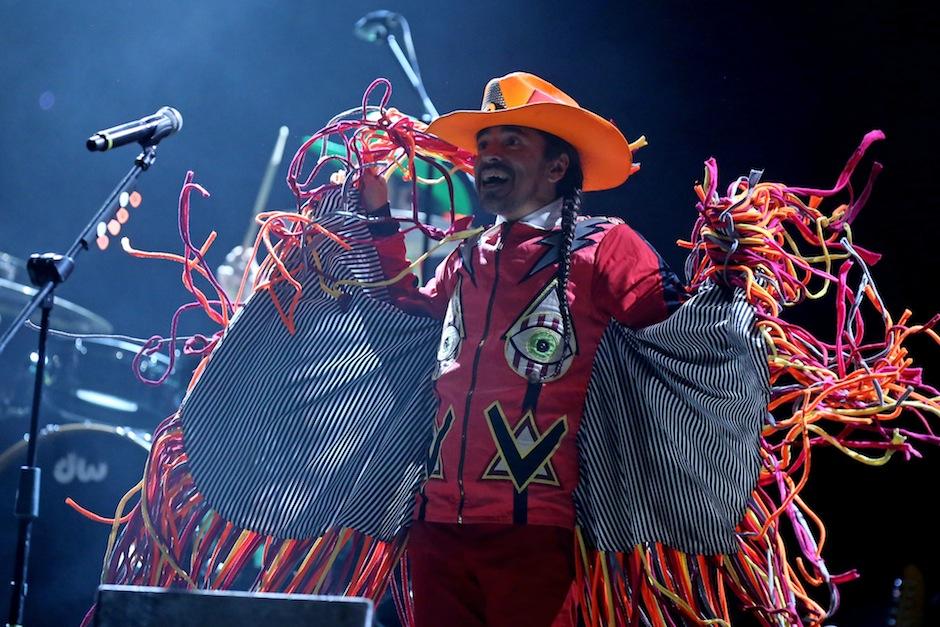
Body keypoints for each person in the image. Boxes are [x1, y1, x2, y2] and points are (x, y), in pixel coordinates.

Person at [356, 71, 728, 626]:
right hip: (436, 527)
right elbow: (398, 319)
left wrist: (730, 271)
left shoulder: (604, 246)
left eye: (512, 141)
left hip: (537, 531)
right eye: (484, 142)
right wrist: (376, 217)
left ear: (557, 167)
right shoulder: (468, 256)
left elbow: (683, 340)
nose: (490, 154)